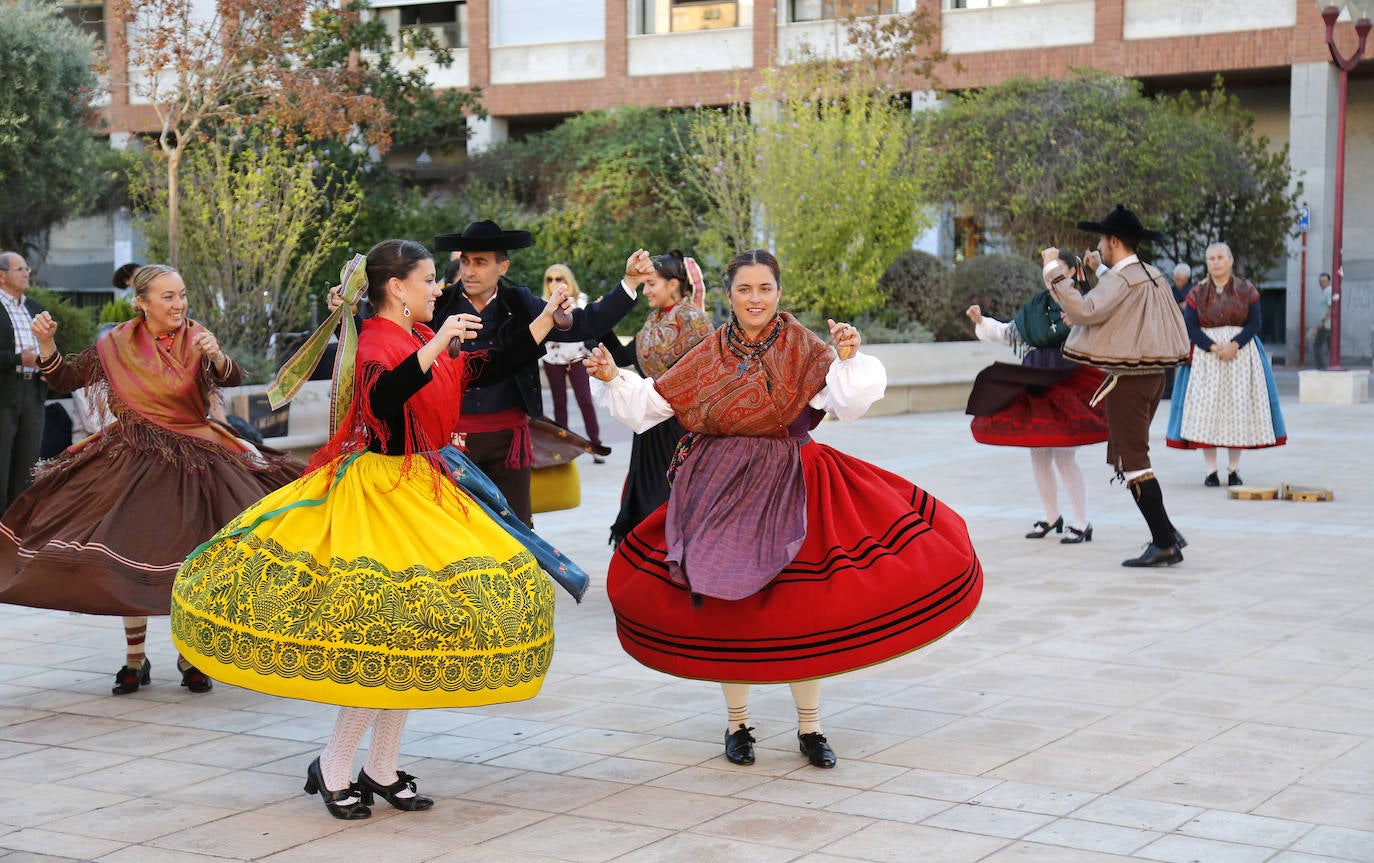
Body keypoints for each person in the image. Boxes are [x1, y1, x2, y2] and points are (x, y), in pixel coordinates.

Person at [171, 240, 590, 820]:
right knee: (381, 639)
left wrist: (545, 318)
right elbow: (385, 401)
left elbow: (487, 365)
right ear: (396, 287)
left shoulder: (420, 336)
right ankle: (336, 767)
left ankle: (380, 767)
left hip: (428, 483)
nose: (438, 288)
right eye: (427, 280)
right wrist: (441, 341)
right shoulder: (379, 341)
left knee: (413, 638)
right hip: (382, 493)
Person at [587, 249, 982, 770]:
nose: (756, 299)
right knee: (728, 604)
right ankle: (737, 724)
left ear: (779, 291)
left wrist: (846, 358)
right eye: (745, 289)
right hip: (718, 483)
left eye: (765, 288)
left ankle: (811, 727)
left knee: (802, 609)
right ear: (729, 295)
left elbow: (845, 402)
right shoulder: (708, 352)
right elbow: (655, 404)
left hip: (794, 480)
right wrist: (616, 376)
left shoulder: (804, 346)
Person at [0, 264, 302, 693]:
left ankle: (191, 656)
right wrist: (47, 344)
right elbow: (68, 378)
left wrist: (216, 355)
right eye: (167, 297)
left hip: (196, 458)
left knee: (193, 559)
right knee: (128, 552)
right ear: (141, 302)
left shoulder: (198, 336)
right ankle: (134, 658)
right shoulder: (115, 343)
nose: (178, 304)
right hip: (130, 458)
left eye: (181, 295)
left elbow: (230, 377)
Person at [429, 220, 642, 525]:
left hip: (509, 439)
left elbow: (584, 324)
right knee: (457, 526)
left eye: (480, 262)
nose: (469, 270)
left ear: (503, 267)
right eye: (465, 261)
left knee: (516, 527)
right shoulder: (439, 305)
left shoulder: (521, 302)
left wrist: (628, 285)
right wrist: (349, 314)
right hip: (452, 439)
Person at [1043, 205, 1190, 568]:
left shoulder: (1123, 280)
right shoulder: (1151, 274)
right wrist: (1098, 271)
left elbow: (1086, 312)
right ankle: (1168, 532)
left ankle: (1163, 543)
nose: (1098, 246)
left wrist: (1051, 268)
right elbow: (1118, 305)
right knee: (1133, 456)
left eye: (1101, 240)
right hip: (1153, 377)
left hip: (1129, 381)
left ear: (1112, 241)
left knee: (1135, 461)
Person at [964, 250, 1107, 545]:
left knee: (1065, 455)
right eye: (1046, 272)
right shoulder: (1037, 307)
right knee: (1039, 453)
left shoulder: (1082, 303)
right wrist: (982, 321)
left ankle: (1082, 521)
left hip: (1068, 378)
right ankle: (1052, 516)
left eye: (1055, 270)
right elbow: (1009, 333)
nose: (1049, 277)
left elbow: (1099, 331)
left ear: (1071, 273)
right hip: (1037, 379)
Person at [604, 250, 713, 546]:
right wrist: (598, 325)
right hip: (650, 425)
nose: (646, 290)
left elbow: (705, 373)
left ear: (674, 284)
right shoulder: (653, 321)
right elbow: (629, 358)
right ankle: (647, 567)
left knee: (671, 499)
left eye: (652, 283)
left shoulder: (694, 321)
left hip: (680, 428)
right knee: (648, 499)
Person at [1166, 242, 1286, 484]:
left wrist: (1234, 344)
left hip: (1240, 356)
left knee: (1237, 409)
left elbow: (1255, 323)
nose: (1216, 262)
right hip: (1206, 356)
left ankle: (1233, 470)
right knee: (1206, 411)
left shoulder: (1246, 289)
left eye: (1221, 257)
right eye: (1211, 258)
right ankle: (1211, 470)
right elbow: (1189, 324)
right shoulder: (1197, 292)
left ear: (1230, 261)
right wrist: (1211, 346)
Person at [539, 263, 605, 462]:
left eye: (559, 278)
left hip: (577, 358)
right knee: (560, 404)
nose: (554, 283)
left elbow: (590, 324)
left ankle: (596, 445)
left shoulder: (580, 301)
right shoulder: (542, 304)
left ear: (568, 281)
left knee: (585, 401)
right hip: (552, 359)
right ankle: (563, 449)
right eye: (550, 279)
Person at [0, 251, 46, 511]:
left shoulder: (35, 308)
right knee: (2, 462)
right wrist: (19, 359)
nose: (26, 273)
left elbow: (49, 346)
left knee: (28, 464)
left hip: (34, 392)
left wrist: (51, 366)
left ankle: (18, 527)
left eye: (26, 268)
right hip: (4, 394)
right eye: (19, 269)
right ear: (2, 276)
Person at [1310, 272, 1332, 370]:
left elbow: (1331, 308)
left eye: (1324, 281)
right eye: (1320, 281)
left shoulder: (1329, 291)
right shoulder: (1326, 292)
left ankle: (1321, 367)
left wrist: (1323, 321)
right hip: (1327, 324)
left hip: (1326, 324)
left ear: (1329, 281)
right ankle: (1331, 366)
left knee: (1317, 346)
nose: (1322, 283)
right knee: (1330, 346)